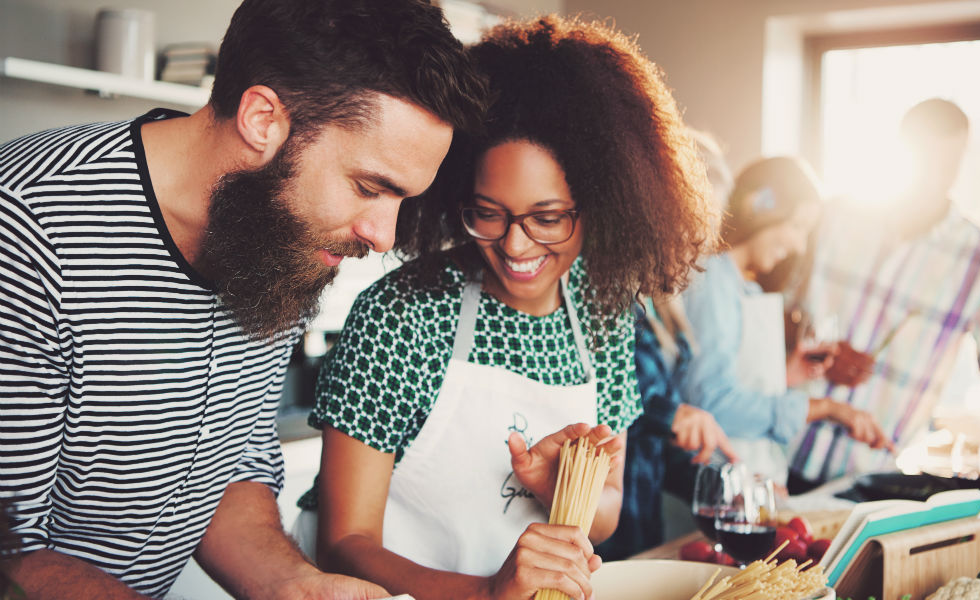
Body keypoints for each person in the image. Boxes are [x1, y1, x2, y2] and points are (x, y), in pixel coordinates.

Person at [0, 0, 486, 597]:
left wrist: (298, 587)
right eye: (368, 187)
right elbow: (12, 555)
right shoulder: (28, 229)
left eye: (402, 201)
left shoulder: (275, 238)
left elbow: (228, 475)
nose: (383, 236)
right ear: (262, 119)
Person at [292, 15, 716, 599]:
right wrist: (487, 594)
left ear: (603, 205)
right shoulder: (404, 316)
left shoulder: (602, 314)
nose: (515, 245)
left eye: (547, 218)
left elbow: (606, 511)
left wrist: (556, 488)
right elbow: (342, 544)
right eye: (488, 212)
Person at [787, 98, 980, 490]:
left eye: (947, 165)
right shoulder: (831, 216)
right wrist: (815, 352)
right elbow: (769, 310)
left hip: (872, 479)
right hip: (774, 450)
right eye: (924, 161)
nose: (934, 178)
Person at [680, 157, 892, 487]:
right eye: (796, 226)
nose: (799, 245)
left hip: (746, 483)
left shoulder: (743, 286)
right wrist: (826, 408)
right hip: (710, 489)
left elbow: (736, 383)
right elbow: (714, 404)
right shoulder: (712, 281)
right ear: (758, 207)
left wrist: (788, 376)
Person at [594, 295, 739, 561]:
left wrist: (728, 489)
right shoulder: (607, 299)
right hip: (602, 531)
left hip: (643, 523)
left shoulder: (663, 307)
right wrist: (670, 415)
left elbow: (662, 447)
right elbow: (606, 402)